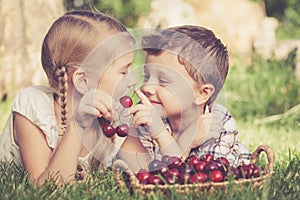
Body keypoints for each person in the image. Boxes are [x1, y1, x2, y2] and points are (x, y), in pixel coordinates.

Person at [0, 10, 136, 184]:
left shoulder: (114, 118)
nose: (133, 81)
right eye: (124, 72)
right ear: (83, 81)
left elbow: (145, 172)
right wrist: (77, 125)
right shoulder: (33, 106)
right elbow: (45, 188)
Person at [119, 25, 251, 173]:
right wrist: (184, 142)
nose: (147, 87)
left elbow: (191, 180)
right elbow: (147, 174)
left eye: (163, 81)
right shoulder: (147, 117)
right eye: (146, 76)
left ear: (201, 93)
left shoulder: (217, 122)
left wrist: (162, 135)